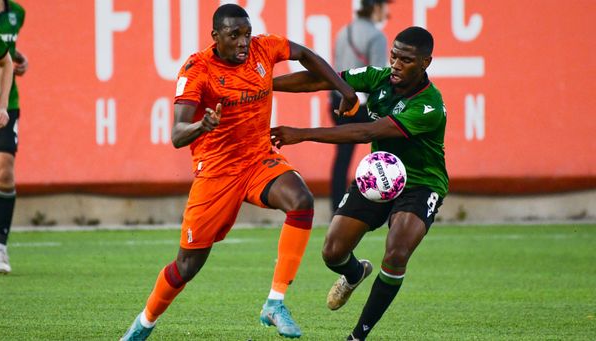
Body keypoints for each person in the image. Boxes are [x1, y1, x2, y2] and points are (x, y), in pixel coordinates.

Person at [120, 4, 358, 340]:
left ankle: (275, 303)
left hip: (258, 160)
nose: (243, 42)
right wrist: (201, 125)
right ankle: (144, 323)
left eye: (246, 33)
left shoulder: (264, 47)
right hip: (216, 174)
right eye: (234, 35)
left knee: (301, 200)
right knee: (187, 266)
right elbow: (176, 134)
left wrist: (345, 90)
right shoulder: (197, 68)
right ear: (215, 37)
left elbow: (306, 55)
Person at [271, 27, 448, 340]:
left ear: (425, 63)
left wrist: (301, 133)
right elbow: (320, 80)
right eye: (394, 55)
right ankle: (354, 273)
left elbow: (366, 132)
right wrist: (265, 86)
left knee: (396, 252)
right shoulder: (379, 77)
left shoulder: (429, 108)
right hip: (380, 176)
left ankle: (358, 336)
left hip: (421, 183)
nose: (395, 63)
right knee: (332, 252)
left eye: (406, 60)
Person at [329, 0, 391, 214]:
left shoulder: (343, 32)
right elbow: (377, 79)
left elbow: (336, 70)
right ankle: (387, 204)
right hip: (363, 106)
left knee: (342, 158)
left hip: (339, 102)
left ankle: (337, 208)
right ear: (376, 8)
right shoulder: (376, 37)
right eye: (385, 6)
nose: (387, 12)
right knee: (388, 153)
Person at [0, 0, 24, 275]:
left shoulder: (17, 13)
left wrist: (2, 105)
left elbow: (4, 58)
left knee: (4, 173)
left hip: (5, 104)